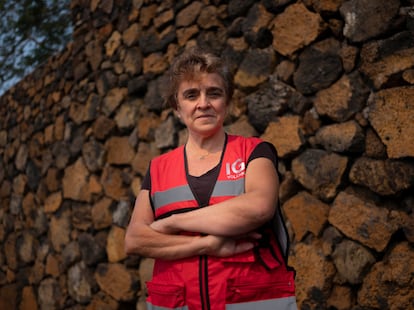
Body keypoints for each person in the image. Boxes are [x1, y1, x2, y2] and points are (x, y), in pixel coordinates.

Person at [124, 46, 297, 310]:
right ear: (177, 108)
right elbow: (135, 240)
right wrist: (206, 244)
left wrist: (171, 223)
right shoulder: (158, 168)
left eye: (213, 93)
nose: (203, 103)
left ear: (226, 103)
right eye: (191, 95)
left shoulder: (255, 151)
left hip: (251, 299)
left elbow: (258, 207)